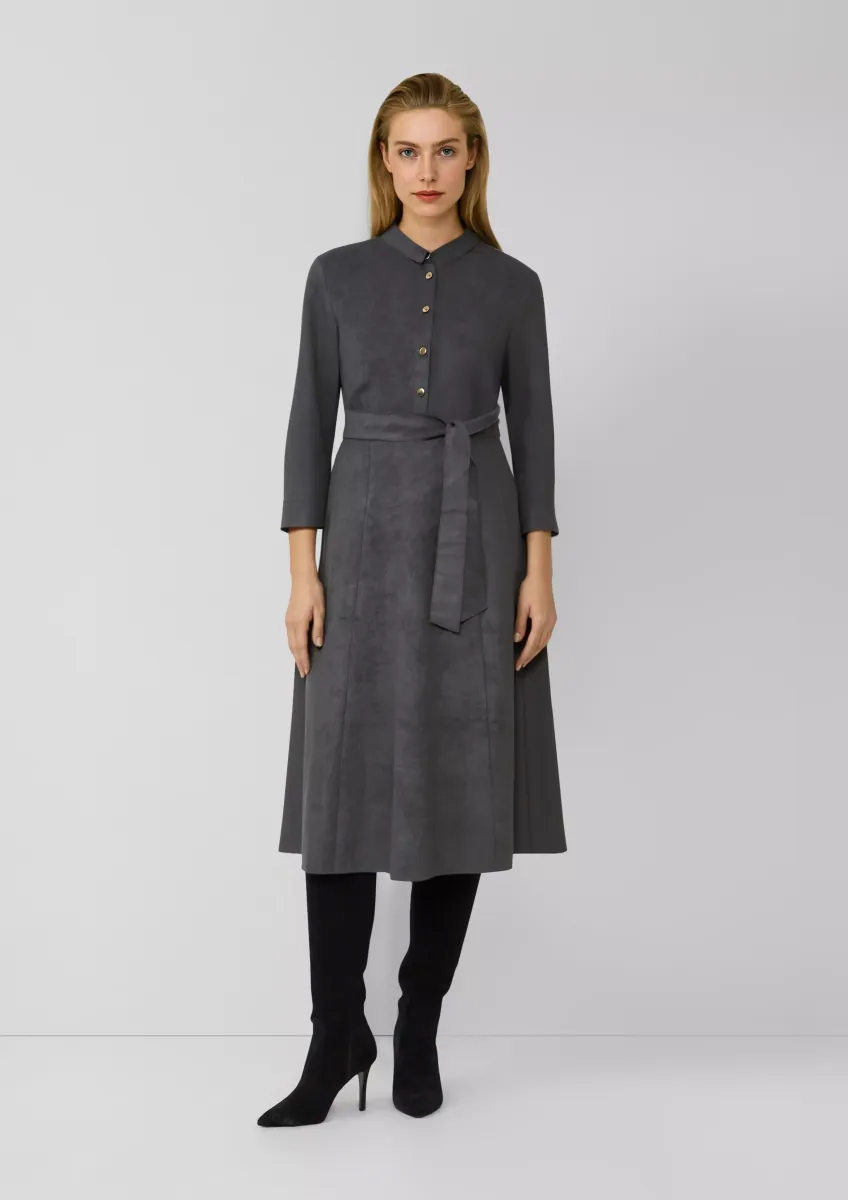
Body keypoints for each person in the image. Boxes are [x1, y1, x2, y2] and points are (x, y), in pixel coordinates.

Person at [258, 72, 567, 1127]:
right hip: (360, 544)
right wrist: (302, 574)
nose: (425, 171)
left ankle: (418, 1024)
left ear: (470, 159)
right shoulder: (336, 277)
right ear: (382, 162)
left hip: (475, 548)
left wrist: (538, 572)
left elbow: (535, 428)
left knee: (458, 782)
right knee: (339, 792)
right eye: (406, 150)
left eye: (443, 150)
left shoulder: (513, 284)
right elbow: (308, 424)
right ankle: (333, 1036)